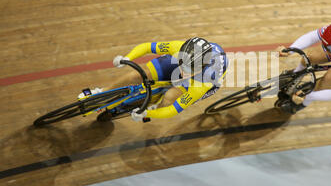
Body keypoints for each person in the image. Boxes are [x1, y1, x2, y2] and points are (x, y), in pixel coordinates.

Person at [79, 37, 228, 122]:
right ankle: (100, 92)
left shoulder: (203, 83)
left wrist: (148, 114)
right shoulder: (178, 47)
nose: (182, 72)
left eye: (188, 70)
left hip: (200, 81)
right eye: (182, 65)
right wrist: (127, 58)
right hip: (188, 63)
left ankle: (153, 106)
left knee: (170, 97)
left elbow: (173, 110)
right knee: (137, 75)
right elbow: (147, 47)